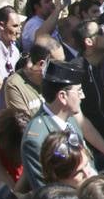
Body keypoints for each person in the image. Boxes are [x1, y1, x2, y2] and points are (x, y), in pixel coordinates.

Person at [21, 60, 86, 189]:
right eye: (79, 91)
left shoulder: (69, 118)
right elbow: (50, 192)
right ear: (63, 96)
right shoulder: (36, 140)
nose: (82, 96)